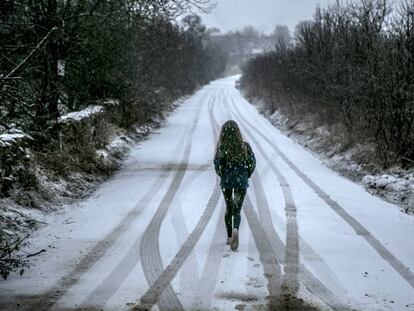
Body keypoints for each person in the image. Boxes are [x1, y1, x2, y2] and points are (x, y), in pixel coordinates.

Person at [214, 120, 256, 251]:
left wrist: (223, 175)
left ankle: (229, 236)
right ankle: (236, 228)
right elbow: (252, 163)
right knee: (237, 209)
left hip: (227, 182)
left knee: (229, 207)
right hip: (241, 182)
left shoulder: (222, 148)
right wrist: (246, 175)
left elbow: (217, 166)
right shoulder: (246, 147)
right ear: (238, 132)